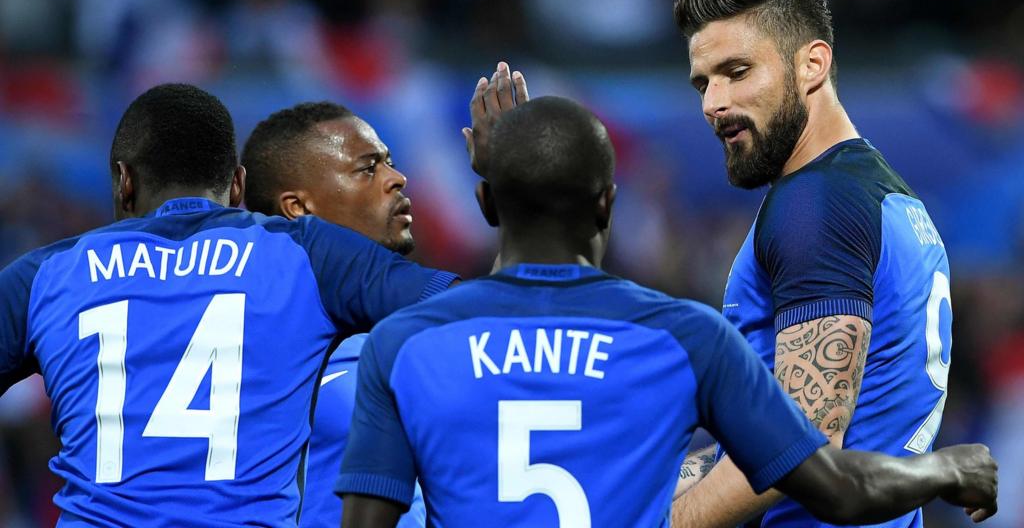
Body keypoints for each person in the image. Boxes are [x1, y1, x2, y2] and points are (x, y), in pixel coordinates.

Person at [334, 96, 997, 527]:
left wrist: (506, 173)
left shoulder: (406, 345)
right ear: (608, 205)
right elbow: (839, 489)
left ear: (483, 206)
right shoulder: (686, 338)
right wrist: (944, 467)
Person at [0, 84, 457, 527]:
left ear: (124, 182)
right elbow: (472, 309)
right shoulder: (303, 254)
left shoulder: (46, 274)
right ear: (237, 185)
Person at [670, 0, 965, 528]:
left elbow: (804, 441)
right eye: (703, 83)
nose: (713, 103)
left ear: (812, 63)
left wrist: (662, 521)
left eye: (736, 72)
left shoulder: (815, 207)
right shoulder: (880, 193)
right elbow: (773, 439)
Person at [241, 101, 427, 528]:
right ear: (298, 208)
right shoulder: (263, 348)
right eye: (368, 169)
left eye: (391, 163)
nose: (397, 179)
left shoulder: (408, 331)